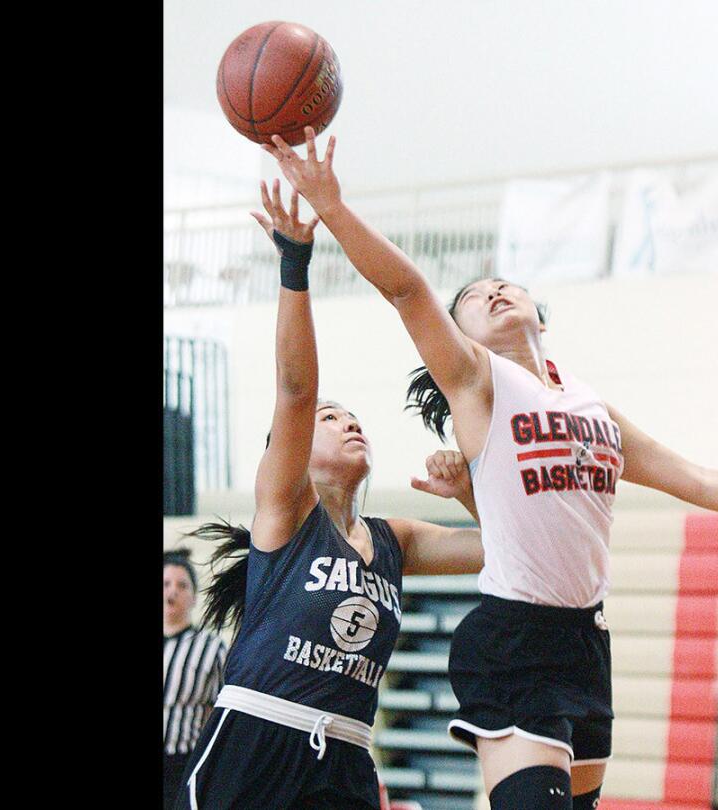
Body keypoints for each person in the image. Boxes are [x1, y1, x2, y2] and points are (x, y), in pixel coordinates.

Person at [261, 127, 718, 810]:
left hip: (588, 641)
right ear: (461, 336)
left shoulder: (593, 406)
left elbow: (697, 479)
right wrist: (330, 206)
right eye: (477, 297)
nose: (496, 291)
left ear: (540, 312)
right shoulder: (480, 382)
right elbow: (406, 289)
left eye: (506, 284)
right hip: (516, 639)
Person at [170, 179, 486, 810]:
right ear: (283, 452)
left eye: (351, 417)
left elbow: (505, 551)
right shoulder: (286, 509)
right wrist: (295, 263)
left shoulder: (396, 539)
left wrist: (470, 493)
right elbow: (294, 390)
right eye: (330, 417)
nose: (348, 422)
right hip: (259, 738)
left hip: (345, 755)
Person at [163, 550, 230, 810]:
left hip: (184, 762)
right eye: (166, 584)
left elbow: (220, 711)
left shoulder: (211, 647)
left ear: (193, 597)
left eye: (182, 585)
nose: (173, 591)